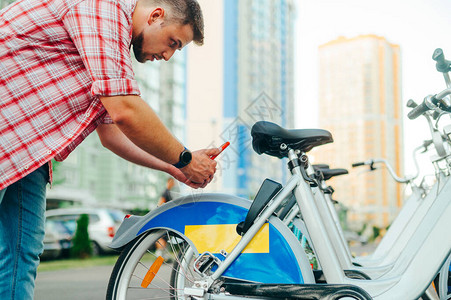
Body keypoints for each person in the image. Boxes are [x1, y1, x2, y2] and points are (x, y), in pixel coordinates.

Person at [0, 0, 219, 298]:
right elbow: (126, 111)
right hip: (9, 134)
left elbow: (112, 134)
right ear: (156, 16)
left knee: (21, 254)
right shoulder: (103, 7)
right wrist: (184, 158)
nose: (167, 56)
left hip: (27, 153)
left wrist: (174, 167)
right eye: (172, 42)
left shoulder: (110, 47)